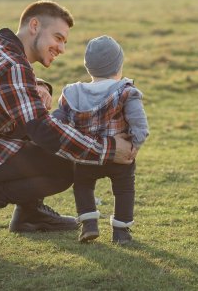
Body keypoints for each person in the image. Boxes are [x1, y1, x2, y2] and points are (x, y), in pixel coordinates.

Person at [0, 0, 138, 247]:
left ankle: (30, 213)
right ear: (34, 26)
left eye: (64, 41)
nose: (62, 48)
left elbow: (11, 92)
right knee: (63, 167)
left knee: (38, 125)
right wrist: (108, 148)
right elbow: (44, 131)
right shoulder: (12, 64)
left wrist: (40, 85)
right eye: (57, 37)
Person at [51, 35, 149, 244]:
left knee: (83, 187)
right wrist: (134, 146)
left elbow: (58, 119)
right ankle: (121, 232)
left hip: (87, 156)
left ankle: (89, 225)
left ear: (89, 68)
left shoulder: (73, 93)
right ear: (118, 65)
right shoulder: (126, 91)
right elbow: (139, 124)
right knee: (124, 190)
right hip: (120, 158)